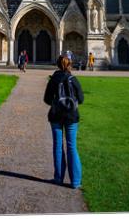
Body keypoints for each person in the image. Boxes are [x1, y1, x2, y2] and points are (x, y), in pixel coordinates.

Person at [43, 52, 84, 189]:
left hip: (55, 116)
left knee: (58, 146)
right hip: (71, 117)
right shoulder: (73, 79)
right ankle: (75, 182)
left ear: (58, 65)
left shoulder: (53, 79)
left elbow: (47, 99)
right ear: (69, 64)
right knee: (72, 147)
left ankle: (58, 178)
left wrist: (57, 102)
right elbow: (81, 99)